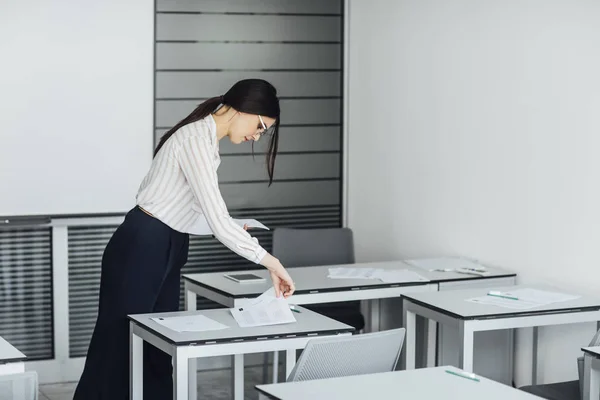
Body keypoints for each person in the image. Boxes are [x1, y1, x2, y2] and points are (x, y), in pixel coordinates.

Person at [73, 79, 296, 400]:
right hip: (142, 245)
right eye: (260, 126)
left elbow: (184, 213)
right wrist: (271, 262)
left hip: (167, 242)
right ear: (241, 108)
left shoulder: (206, 141)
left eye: (263, 132)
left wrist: (233, 227)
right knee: (116, 347)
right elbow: (213, 218)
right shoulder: (194, 139)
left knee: (157, 344)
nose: (256, 136)